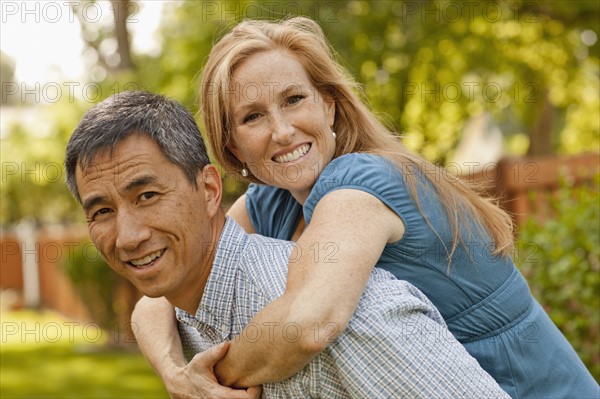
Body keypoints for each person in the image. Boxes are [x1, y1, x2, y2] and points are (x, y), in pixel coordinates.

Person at [132, 17, 600, 399]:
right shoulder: (271, 200)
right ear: (232, 147)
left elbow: (307, 325)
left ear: (329, 106)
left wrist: (211, 379)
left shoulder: (361, 185)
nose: (282, 131)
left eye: (294, 100)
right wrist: (176, 374)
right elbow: (165, 290)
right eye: (253, 116)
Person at [64, 91, 510, 399]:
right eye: (101, 211)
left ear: (208, 191)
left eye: (147, 196)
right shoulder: (189, 309)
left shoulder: (351, 316)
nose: (128, 236)